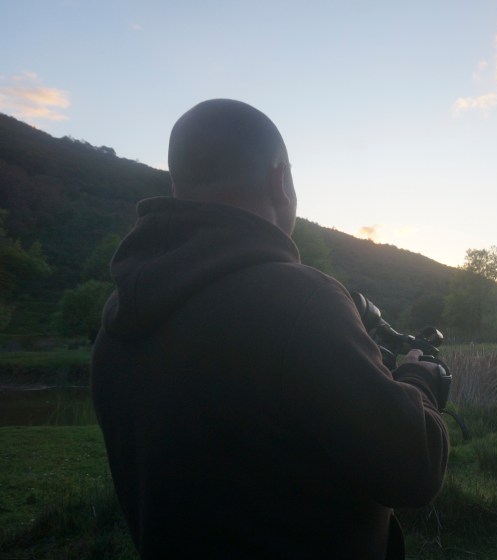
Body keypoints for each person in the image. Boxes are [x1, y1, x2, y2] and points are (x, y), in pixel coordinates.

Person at [91, 99, 450, 559]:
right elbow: (412, 470)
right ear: (280, 180)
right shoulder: (300, 300)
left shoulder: (117, 324)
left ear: (178, 184)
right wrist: (418, 380)